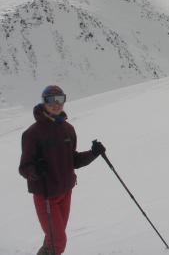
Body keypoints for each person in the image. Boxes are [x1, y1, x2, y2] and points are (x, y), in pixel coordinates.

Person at [19, 85, 106, 255]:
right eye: (51, 100)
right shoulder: (33, 133)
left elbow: (72, 160)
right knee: (58, 241)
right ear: (44, 102)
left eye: (60, 99)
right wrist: (36, 170)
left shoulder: (68, 129)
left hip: (66, 192)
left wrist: (94, 153)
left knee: (53, 239)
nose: (56, 104)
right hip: (46, 195)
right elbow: (24, 168)